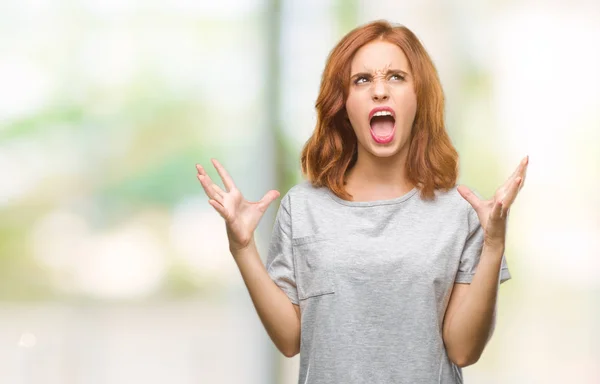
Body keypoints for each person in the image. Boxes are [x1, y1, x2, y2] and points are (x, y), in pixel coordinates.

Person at [196, 19, 528, 384]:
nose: (380, 91)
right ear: (343, 104)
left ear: (419, 97)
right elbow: (290, 339)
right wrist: (242, 248)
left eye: (397, 77)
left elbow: (463, 350)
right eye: (362, 79)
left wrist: (494, 244)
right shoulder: (303, 207)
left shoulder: (459, 212)